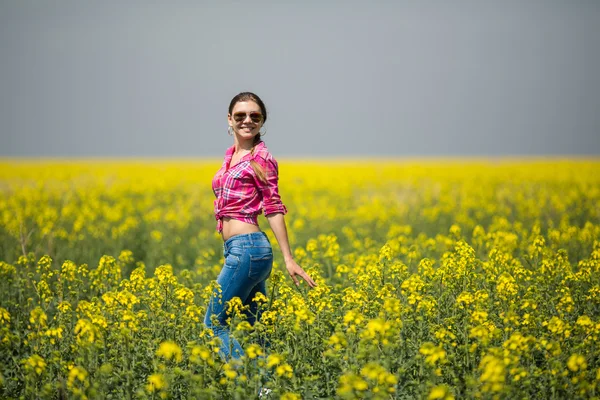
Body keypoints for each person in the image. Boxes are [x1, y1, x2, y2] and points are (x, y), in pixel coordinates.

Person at [204, 91, 317, 362]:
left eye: (255, 116)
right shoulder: (230, 156)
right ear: (229, 120)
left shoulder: (262, 158)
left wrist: (288, 258)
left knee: (213, 326)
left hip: (249, 250)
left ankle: (248, 386)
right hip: (240, 250)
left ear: (262, 121)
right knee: (258, 331)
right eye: (240, 115)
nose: (247, 121)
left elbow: (274, 207)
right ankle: (268, 388)